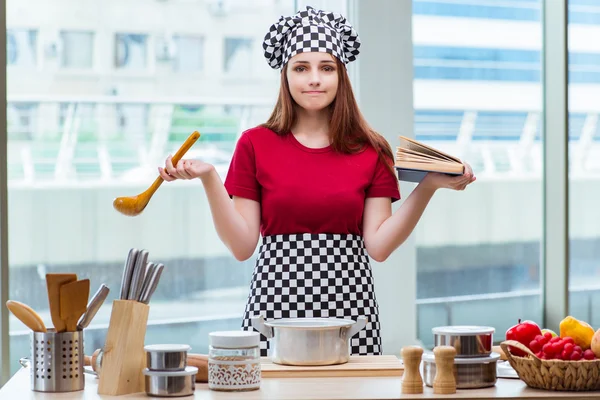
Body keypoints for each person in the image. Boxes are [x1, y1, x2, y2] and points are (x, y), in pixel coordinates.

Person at [159, 5, 475, 356]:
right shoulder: (254, 144)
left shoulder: (371, 149)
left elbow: (380, 246)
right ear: (286, 76)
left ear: (341, 76)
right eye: (301, 68)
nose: (314, 79)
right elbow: (242, 246)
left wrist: (428, 186)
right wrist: (209, 179)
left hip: (350, 310)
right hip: (273, 309)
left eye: (326, 68)